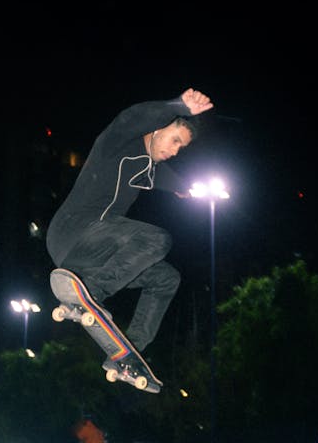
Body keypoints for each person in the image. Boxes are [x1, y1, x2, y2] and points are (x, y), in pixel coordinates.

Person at [46, 87, 214, 355]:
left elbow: (158, 177)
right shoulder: (118, 144)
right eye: (175, 140)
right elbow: (131, 118)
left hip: (92, 255)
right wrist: (177, 106)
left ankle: (130, 350)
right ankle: (93, 293)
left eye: (181, 147)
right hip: (71, 232)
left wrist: (182, 187)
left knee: (166, 278)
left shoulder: (147, 167)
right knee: (157, 239)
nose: (175, 151)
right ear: (159, 128)